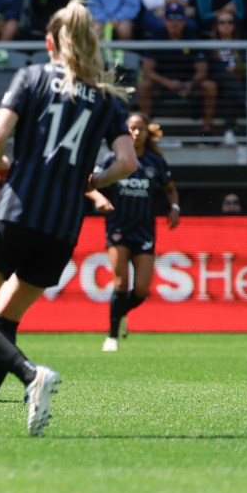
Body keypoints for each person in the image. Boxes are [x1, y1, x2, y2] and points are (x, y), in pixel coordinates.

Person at [0, 0, 136, 439]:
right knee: (5, 318)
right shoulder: (107, 100)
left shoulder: (31, 76)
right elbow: (126, 162)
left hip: (16, 212)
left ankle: (31, 375)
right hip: (63, 227)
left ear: (50, 42)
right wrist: (96, 177)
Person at [98, 113, 180, 352]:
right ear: (125, 132)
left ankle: (119, 314)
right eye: (131, 129)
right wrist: (100, 199)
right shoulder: (112, 159)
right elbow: (92, 183)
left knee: (143, 288)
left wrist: (174, 207)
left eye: (140, 129)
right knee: (121, 282)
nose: (135, 133)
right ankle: (112, 336)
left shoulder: (155, 162)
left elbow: (170, 189)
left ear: (146, 133)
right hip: (118, 227)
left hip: (144, 229)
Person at [138, 2, 218, 140]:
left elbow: (202, 69)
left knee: (210, 86)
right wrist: (167, 82)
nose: (174, 23)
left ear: (184, 21)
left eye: (178, 19)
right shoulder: (156, 38)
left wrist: (191, 83)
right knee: (143, 85)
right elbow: (147, 70)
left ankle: (207, 130)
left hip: (189, 84)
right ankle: (146, 130)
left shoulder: (192, 38)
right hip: (162, 84)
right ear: (165, 21)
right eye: (170, 18)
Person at [209, 13, 247, 146]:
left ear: (234, 25)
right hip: (219, 82)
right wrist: (225, 69)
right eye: (222, 22)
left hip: (237, 83)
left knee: (230, 89)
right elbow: (210, 67)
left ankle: (229, 133)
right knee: (225, 76)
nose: (226, 25)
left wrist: (239, 69)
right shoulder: (209, 45)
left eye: (229, 22)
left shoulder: (242, 45)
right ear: (216, 26)